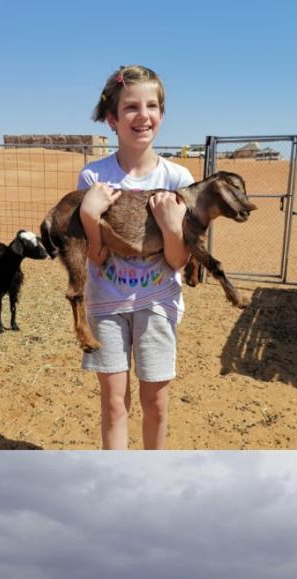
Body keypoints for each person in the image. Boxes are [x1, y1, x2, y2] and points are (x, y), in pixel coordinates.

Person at [78, 64, 193, 449]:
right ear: (112, 119)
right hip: (106, 304)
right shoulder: (93, 178)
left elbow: (178, 261)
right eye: (130, 107)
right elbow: (94, 257)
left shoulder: (179, 179)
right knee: (113, 404)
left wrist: (173, 227)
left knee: (156, 402)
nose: (142, 116)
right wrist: (88, 216)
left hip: (158, 303)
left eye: (151, 106)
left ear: (162, 114)